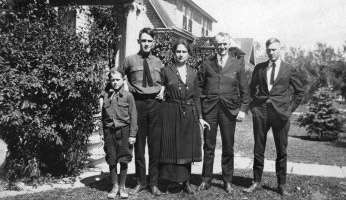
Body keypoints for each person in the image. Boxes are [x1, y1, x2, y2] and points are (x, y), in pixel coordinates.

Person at [244, 38, 304, 196]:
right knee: (258, 148)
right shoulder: (260, 68)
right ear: (266, 50)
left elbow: (300, 92)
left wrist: (289, 110)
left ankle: (281, 184)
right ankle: (256, 181)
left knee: (281, 150)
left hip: (281, 115)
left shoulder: (288, 69)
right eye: (269, 50)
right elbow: (251, 88)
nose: (271, 52)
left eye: (274, 49)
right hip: (261, 112)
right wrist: (253, 107)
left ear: (280, 49)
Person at [198, 32, 250, 193]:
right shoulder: (207, 64)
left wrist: (242, 110)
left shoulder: (238, 63)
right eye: (219, 44)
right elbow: (199, 89)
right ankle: (206, 179)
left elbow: (244, 89)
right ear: (215, 45)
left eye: (225, 44)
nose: (222, 47)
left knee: (228, 146)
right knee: (209, 145)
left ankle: (227, 180)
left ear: (229, 45)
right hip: (210, 110)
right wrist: (200, 114)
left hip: (229, 110)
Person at [159, 39, 210, 194]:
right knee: (171, 146)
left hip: (189, 113)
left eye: (184, 51)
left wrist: (200, 117)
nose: (181, 54)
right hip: (170, 112)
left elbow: (196, 97)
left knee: (187, 147)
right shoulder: (166, 71)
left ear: (189, 54)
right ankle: (171, 181)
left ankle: (186, 182)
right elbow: (161, 90)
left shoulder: (193, 73)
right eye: (178, 51)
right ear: (174, 53)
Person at [118, 27, 165, 196]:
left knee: (155, 145)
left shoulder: (159, 62)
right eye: (143, 40)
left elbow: (166, 80)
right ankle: (140, 182)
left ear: (153, 43)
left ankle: (153, 183)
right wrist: (122, 89)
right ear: (139, 41)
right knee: (139, 146)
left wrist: (164, 88)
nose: (146, 44)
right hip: (137, 104)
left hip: (156, 104)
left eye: (149, 41)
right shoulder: (129, 60)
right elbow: (116, 76)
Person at [100, 68, 137, 199]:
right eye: (113, 80)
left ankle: (122, 186)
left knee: (124, 158)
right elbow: (103, 117)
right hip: (109, 131)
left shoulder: (128, 96)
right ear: (109, 81)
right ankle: (114, 186)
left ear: (123, 80)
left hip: (124, 131)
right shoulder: (105, 95)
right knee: (111, 159)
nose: (115, 82)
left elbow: (133, 116)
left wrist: (133, 135)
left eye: (118, 80)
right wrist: (102, 132)